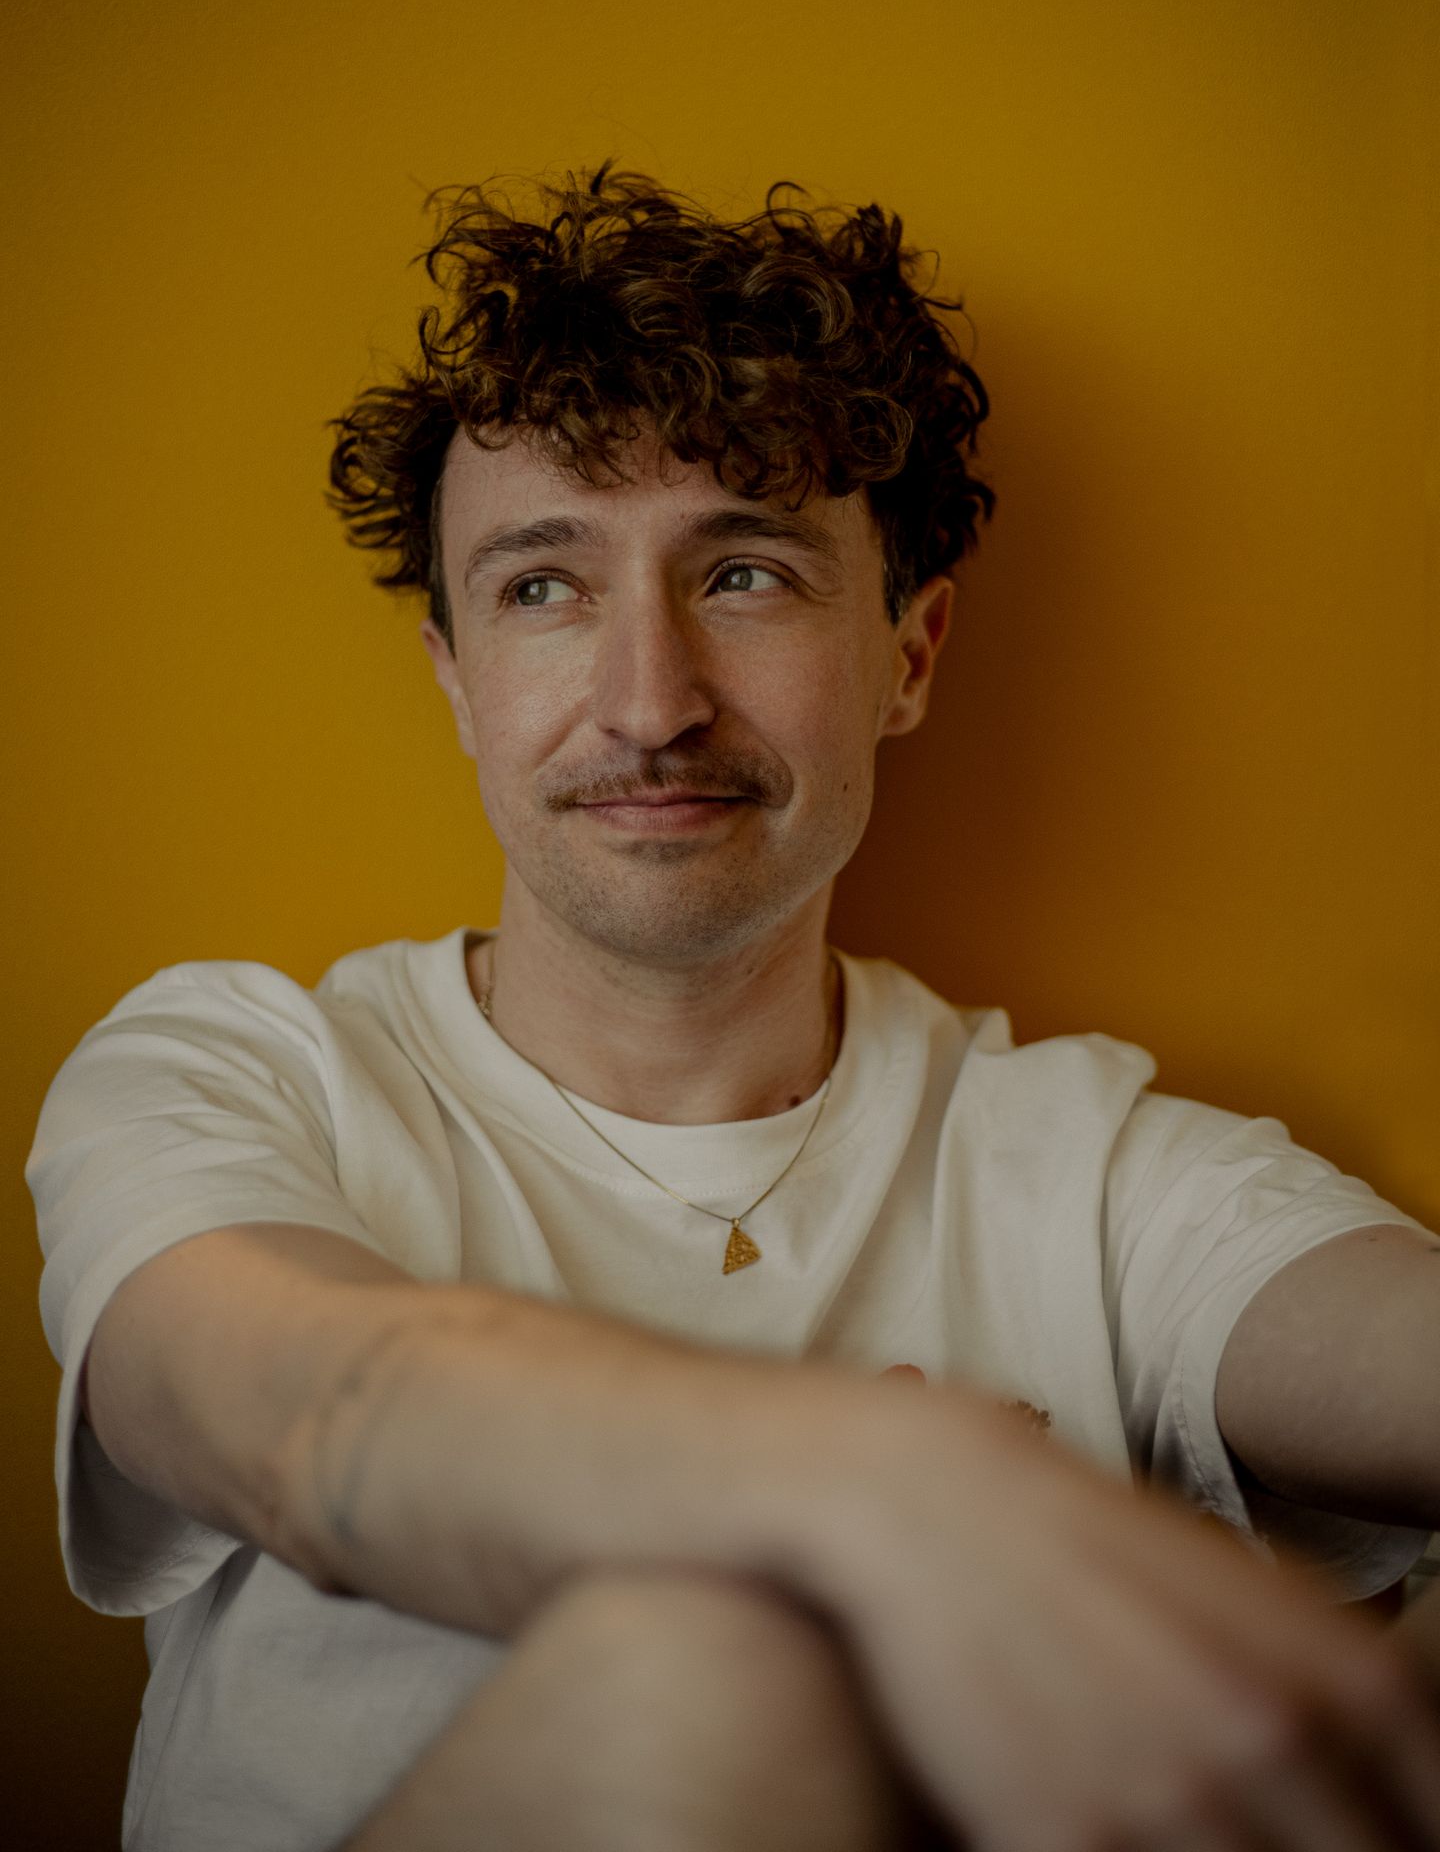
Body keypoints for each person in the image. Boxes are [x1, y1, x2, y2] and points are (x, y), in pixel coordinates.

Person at [26, 162, 1440, 1852]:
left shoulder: (1094, 1170)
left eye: (746, 574)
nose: (650, 704)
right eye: (543, 587)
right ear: (456, 680)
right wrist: (890, 1497)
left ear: (910, 656)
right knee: (718, 1674)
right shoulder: (235, 1072)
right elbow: (307, 1413)